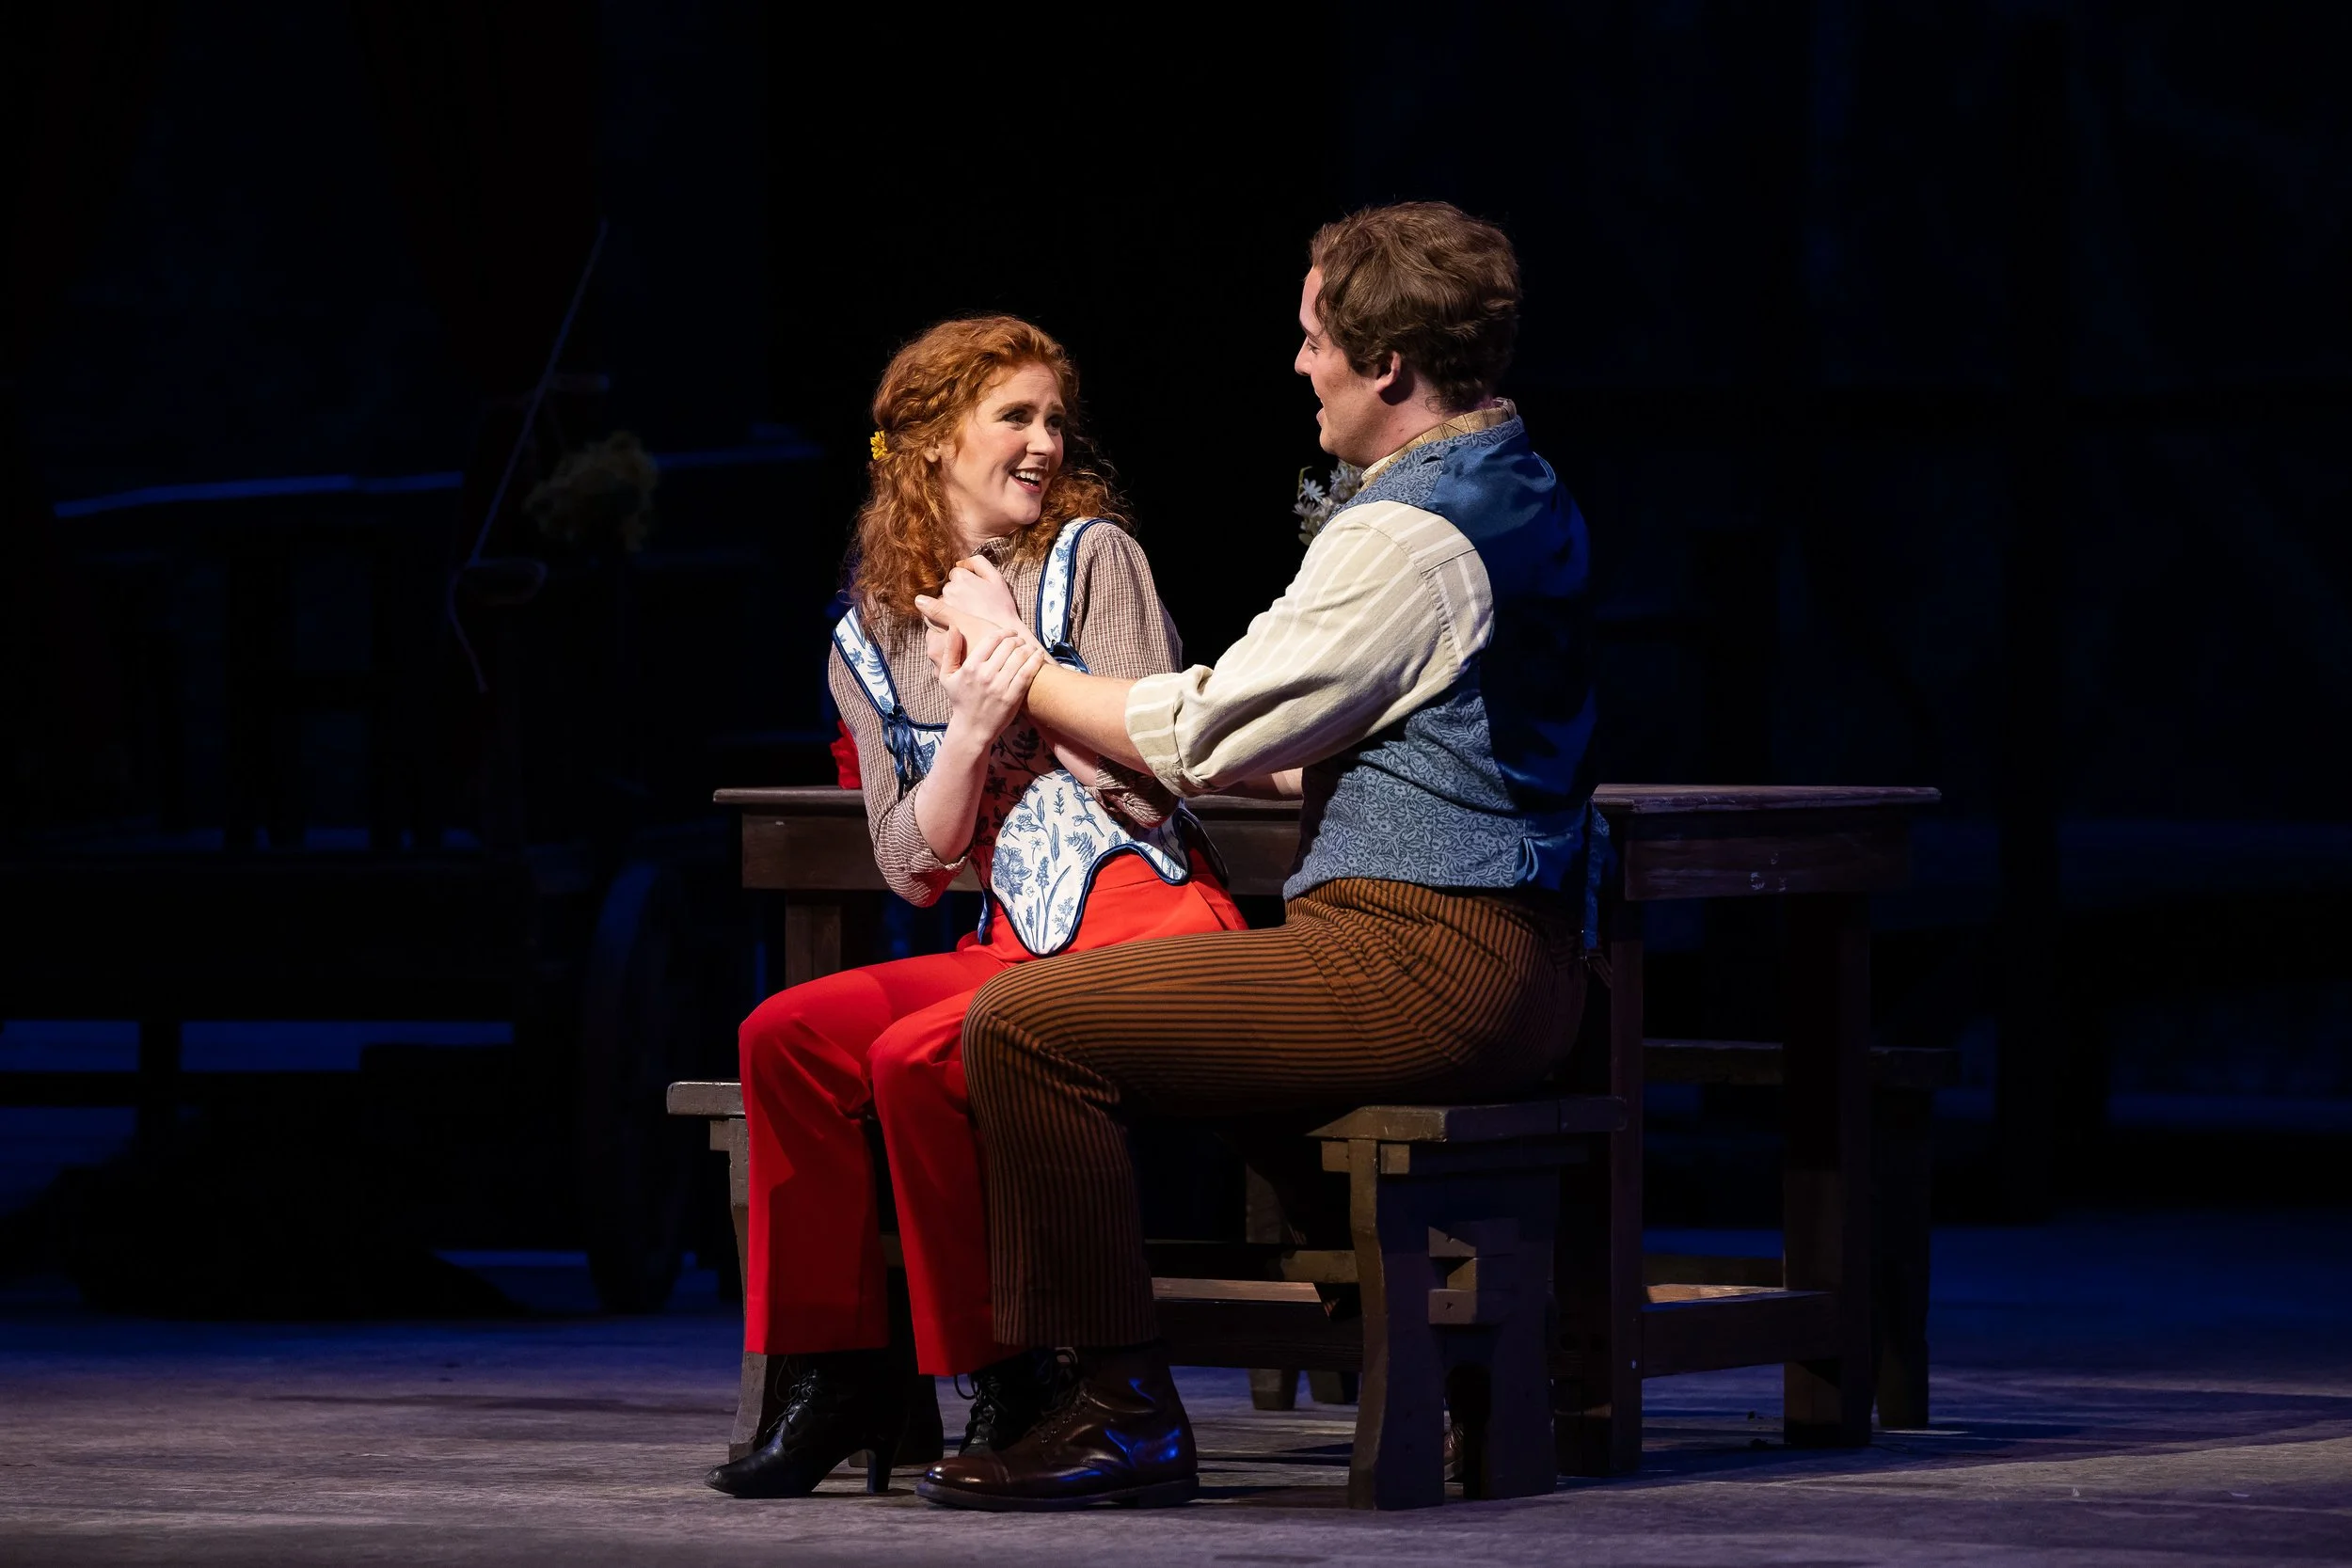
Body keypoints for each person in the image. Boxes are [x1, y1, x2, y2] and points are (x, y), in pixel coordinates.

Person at [909, 202, 1598, 1511]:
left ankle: (1116, 1409)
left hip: (1427, 954)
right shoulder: (1519, 482)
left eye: (1312, 335)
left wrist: (1020, 667)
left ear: (1384, 365)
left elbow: (1202, 725)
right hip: (1500, 947)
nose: (1297, 364)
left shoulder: (1411, 535)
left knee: (1026, 1026)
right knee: (1216, 1040)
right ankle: (1455, 1361)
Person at [706, 316, 1246, 1499]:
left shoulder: (1096, 557)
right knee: (783, 1034)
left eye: (1055, 418)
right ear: (929, 442)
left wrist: (1019, 671)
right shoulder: (868, 634)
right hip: (1013, 940)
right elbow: (912, 864)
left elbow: (1151, 774)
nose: (1045, 441)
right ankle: (835, 1370)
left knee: (914, 1056)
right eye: (1015, 415)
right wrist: (961, 730)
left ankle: (1010, 1373)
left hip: (1149, 921)